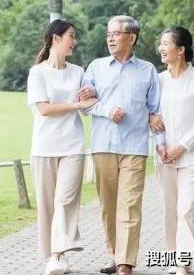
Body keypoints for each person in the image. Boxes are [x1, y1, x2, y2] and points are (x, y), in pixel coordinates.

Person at [81, 15, 164, 275]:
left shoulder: (148, 70)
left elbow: (156, 111)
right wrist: (107, 111)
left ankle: (125, 264)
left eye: (116, 33)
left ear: (132, 37)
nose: (110, 38)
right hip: (103, 146)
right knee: (108, 207)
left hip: (134, 148)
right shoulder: (95, 67)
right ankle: (114, 256)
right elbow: (84, 103)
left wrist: (160, 142)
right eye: (109, 33)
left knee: (129, 205)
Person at [26, 19, 95, 275]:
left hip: (73, 147)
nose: (74, 41)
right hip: (44, 147)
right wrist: (76, 105)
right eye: (71, 36)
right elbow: (43, 109)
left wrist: (88, 99)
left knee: (65, 201)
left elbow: (87, 107)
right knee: (47, 205)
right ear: (56, 39)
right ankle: (53, 257)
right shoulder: (38, 72)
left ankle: (58, 254)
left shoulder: (78, 72)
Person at [155, 27, 194, 275]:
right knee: (170, 208)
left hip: (192, 156)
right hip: (165, 156)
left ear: (181, 50)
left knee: (186, 208)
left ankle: (183, 261)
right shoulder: (158, 80)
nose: (161, 48)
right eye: (161, 43)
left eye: (165, 43)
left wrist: (182, 146)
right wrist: (160, 143)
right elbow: (154, 118)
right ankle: (172, 255)